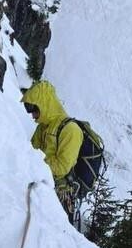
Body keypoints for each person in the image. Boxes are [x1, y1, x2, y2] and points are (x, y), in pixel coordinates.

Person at [21, 80, 84, 223]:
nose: (32, 115)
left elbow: (62, 167)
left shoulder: (70, 130)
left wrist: (38, 164)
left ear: (45, 104)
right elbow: (30, 152)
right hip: (41, 186)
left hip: (61, 195)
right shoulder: (42, 127)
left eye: (34, 110)